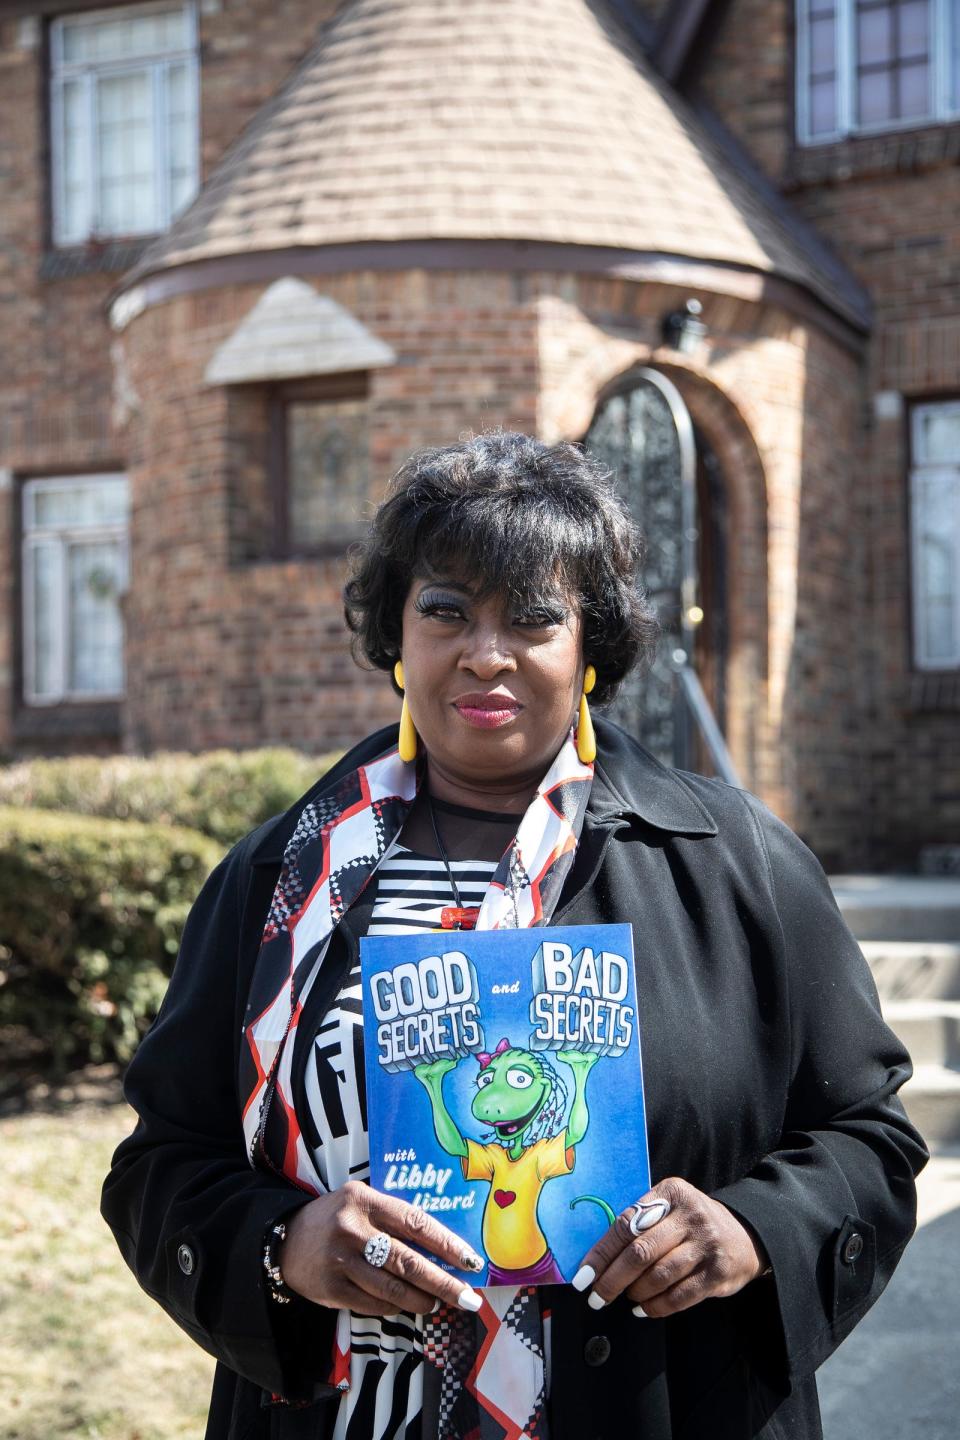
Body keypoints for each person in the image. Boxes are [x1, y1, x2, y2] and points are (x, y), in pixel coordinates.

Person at [102, 432, 926, 1440]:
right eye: (446, 610)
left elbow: (871, 1142)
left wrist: (752, 1232)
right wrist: (287, 1245)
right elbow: (160, 1166)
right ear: (398, 639)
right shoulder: (277, 880)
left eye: (534, 618)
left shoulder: (733, 860)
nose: (485, 653)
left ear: (589, 648)